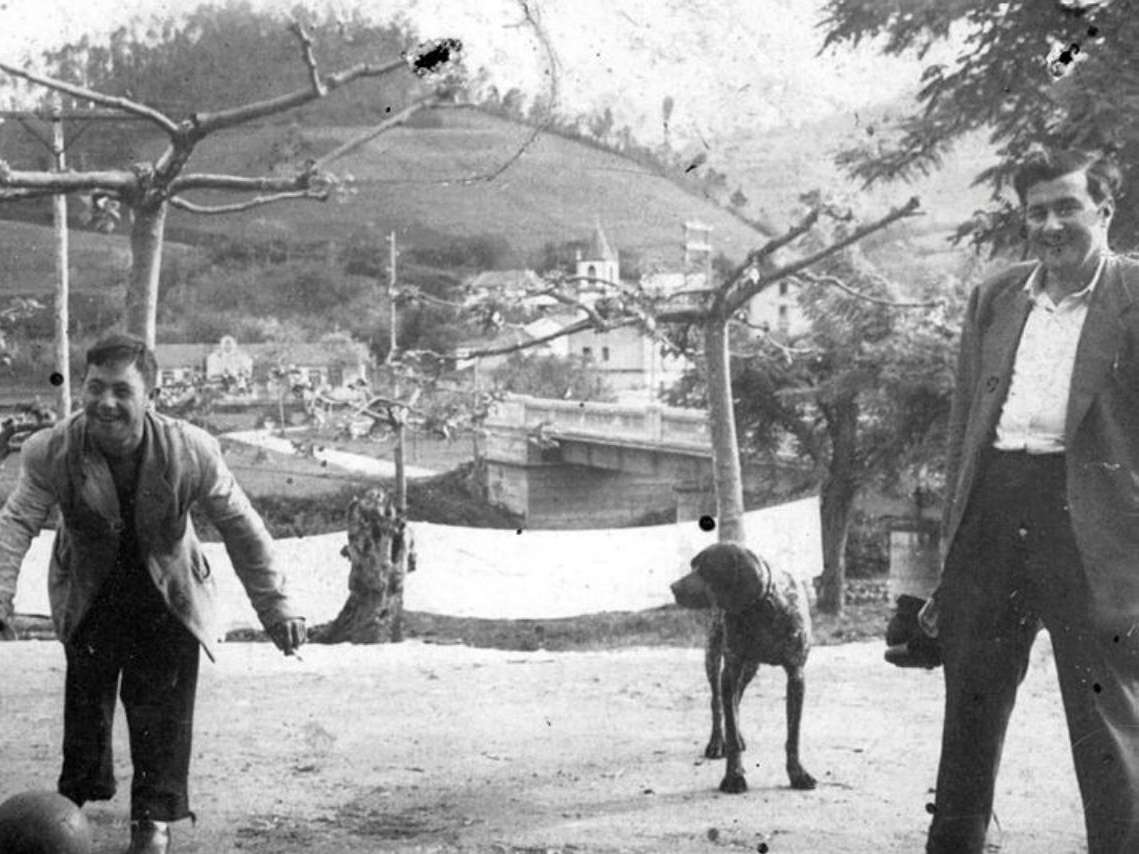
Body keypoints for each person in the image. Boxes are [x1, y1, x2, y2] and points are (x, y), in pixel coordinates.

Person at [0, 334, 307, 854]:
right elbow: (15, 524)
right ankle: (68, 812)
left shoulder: (191, 450)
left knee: (161, 710)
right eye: (95, 388)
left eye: (122, 390)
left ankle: (153, 821)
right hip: (91, 587)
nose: (106, 403)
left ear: (151, 397)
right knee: (86, 710)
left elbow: (242, 527)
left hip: (168, 589)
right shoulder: (52, 449)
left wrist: (276, 606)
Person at [924, 148, 1139, 853]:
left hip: (1091, 523)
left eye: (1065, 207)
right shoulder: (996, 294)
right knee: (970, 707)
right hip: (993, 509)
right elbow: (963, 430)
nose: (1049, 224)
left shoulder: (1133, 297)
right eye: (1035, 211)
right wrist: (946, 552)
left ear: (1104, 210)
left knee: (1104, 715)